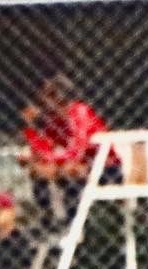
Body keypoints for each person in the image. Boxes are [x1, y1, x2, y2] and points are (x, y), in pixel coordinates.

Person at [19, 74, 109, 232]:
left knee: (67, 169)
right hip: (81, 165)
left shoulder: (79, 112)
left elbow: (75, 152)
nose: (42, 106)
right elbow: (43, 145)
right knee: (39, 171)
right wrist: (31, 130)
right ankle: (50, 218)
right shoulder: (57, 120)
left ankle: (73, 222)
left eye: (45, 98)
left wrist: (46, 158)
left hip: (107, 167)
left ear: (57, 97)